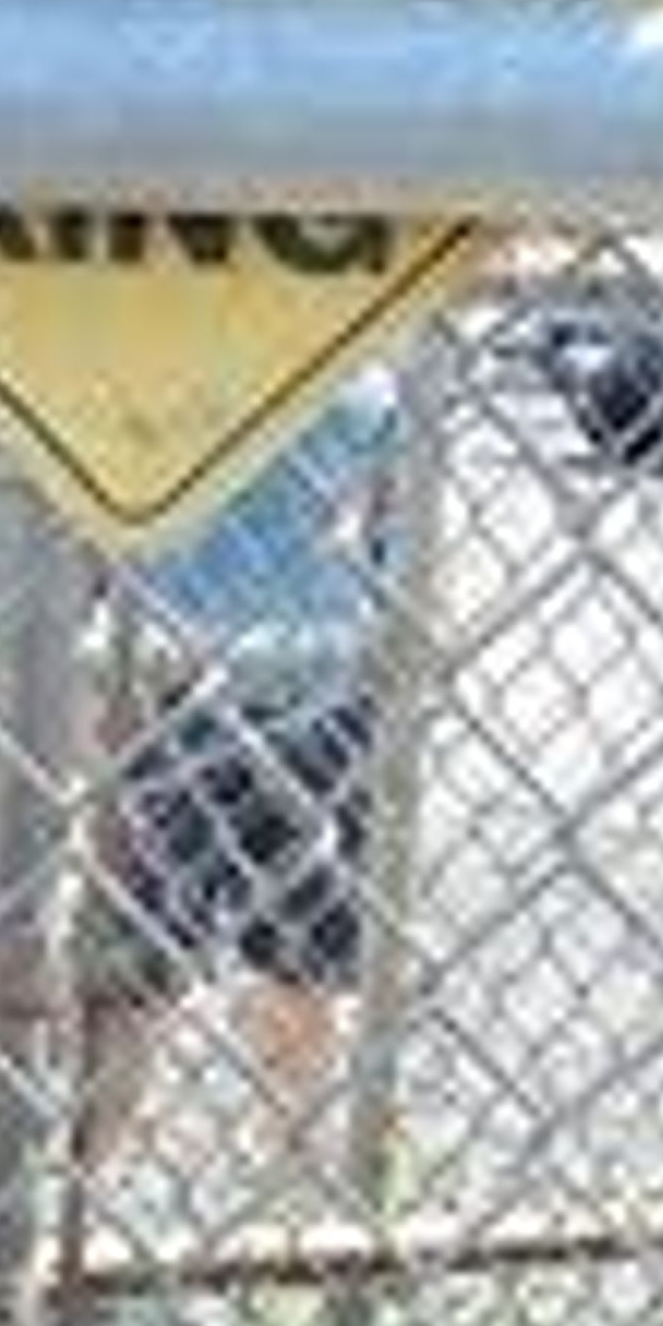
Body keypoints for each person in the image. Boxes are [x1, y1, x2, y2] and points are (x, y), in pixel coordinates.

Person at [79, 369, 401, 1160]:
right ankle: (273, 1169)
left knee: (161, 964)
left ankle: (96, 1167)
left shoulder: (172, 359)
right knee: (210, 966)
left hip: (221, 675)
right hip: (268, 672)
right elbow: (394, 540)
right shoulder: (370, 375)